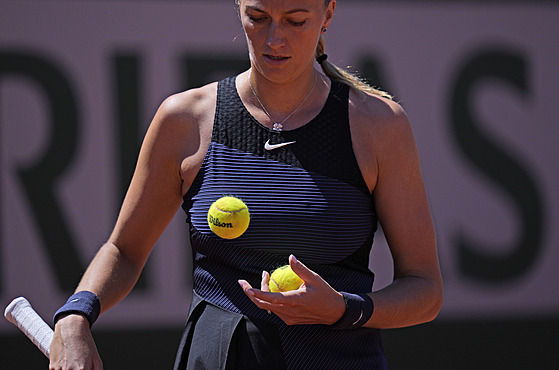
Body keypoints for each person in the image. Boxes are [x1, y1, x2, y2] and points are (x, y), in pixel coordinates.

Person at [49, 0, 443, 369]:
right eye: (257, 17)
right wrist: (75, 315)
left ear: (328, 13)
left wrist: (344, 308)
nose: (274, 38)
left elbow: (424, 289)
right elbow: (123, 249)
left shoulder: (380, 126)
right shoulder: (183, 119)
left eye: (296, 20)